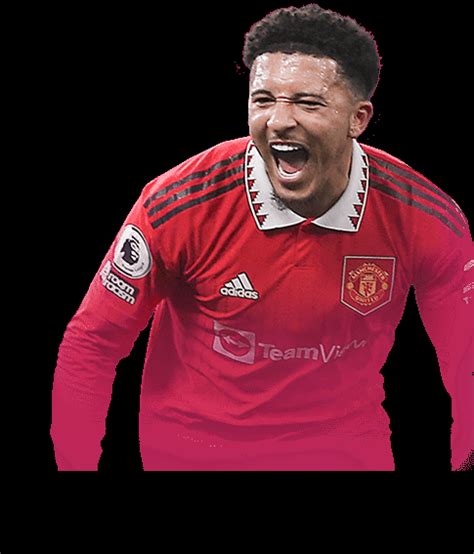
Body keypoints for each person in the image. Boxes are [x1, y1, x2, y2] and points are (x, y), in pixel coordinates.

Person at [50, 4, 473, 471]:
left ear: (359, 118)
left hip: (343, 449)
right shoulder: (177, 204)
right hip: (196, 450)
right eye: (263, 99)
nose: (278, 121)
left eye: (307, 103)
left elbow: (468, 362)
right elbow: (92, 343)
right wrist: (76, 466)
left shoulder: (425, 216)